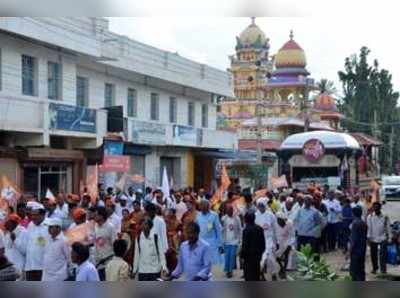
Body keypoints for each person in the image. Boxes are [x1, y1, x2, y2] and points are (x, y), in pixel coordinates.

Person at [23, 203, 48, 281]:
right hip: (30, 266)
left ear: (43, 215)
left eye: (35, 215)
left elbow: (46, 245)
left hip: (42, 267)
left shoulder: (49, 225)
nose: (33, 217)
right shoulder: (30, 225)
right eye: (32, 215)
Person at [196, 199, 223, 265]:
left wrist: (220, 244)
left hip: (211, 243)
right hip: (201, 242)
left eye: (203, 206)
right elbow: (196, 230)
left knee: (209, 263)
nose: (201, 207)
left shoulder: (214, 215)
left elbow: (218, 230)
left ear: (207, 206)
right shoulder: (198, 215)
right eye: (200, 206)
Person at [240, 212, 266, 281]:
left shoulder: (246, 230)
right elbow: (263, 244)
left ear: (246, 220)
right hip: (257, 257)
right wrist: (260, 253)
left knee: (248, 276)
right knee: (256, 275)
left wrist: (242, 256)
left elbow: (244, 245)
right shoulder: (259, 229)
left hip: (248, 258)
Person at [94, 206, 117, 281]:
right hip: (98, 264)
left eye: (96, 215)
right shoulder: (95, 227)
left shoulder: (110, 227)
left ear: (101, 216)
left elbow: (115, 245)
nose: (95, 216)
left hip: (108, 263)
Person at [367, 202, 390, 274]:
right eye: (374, 208)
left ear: (380, 208)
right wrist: (368, 238)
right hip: (373, 238)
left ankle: (383, 269)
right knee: (373, 254)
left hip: (383, 237)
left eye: (377, 208)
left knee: (383, 254)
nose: (376, 209)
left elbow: (388, 227)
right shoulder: (370, 216)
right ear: (373, 208)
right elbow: (369, 228)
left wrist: (388, 237)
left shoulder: (385, 216)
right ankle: (375, 268)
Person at [221, 204, 242, 278]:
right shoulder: (224, 218)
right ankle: (227, 270)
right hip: (226, 240)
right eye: (227, 211)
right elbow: (222, 230)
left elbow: (240, 229)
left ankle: (230, 271)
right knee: (227, 256)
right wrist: (222, 240)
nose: (229, 212)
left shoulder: (237, 218)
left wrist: (240, 240)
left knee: (232, 256)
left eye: (230, 211)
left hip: (234, 241)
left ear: (232, 211)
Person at [275, 212, 296, 279]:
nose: (280, 223)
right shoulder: (275, 224)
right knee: (276, 257)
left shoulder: (289, 223)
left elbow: (292, 235)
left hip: (287, 241)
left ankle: (283, 270)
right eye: (278, 221)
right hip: (279, 242)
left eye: (281, 221)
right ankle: (281, 267)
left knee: (286, 255)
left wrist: (289, 245)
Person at [349, 206, 368, 281]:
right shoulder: (364, 223)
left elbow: (353, 239)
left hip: (356, 250)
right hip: (362, 248)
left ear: (353, 214)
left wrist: (349, 251)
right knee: (361, 268)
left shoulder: (355, 223)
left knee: (354, 270)